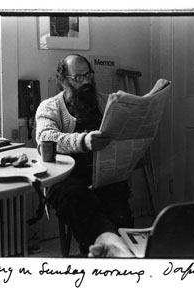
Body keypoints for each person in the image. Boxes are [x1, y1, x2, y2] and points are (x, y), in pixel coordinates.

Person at [35, 54, 134, 257]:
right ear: (63, 81)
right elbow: (45, 137)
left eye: (89, 75)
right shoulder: (50, 107)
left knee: (118, 202)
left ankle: (118, 250)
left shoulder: (106, 101)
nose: (87, 81)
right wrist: (84, 141)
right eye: (79, 78)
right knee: (78, 200)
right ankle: (108, 245)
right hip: (65, 179)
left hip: (104, 175)